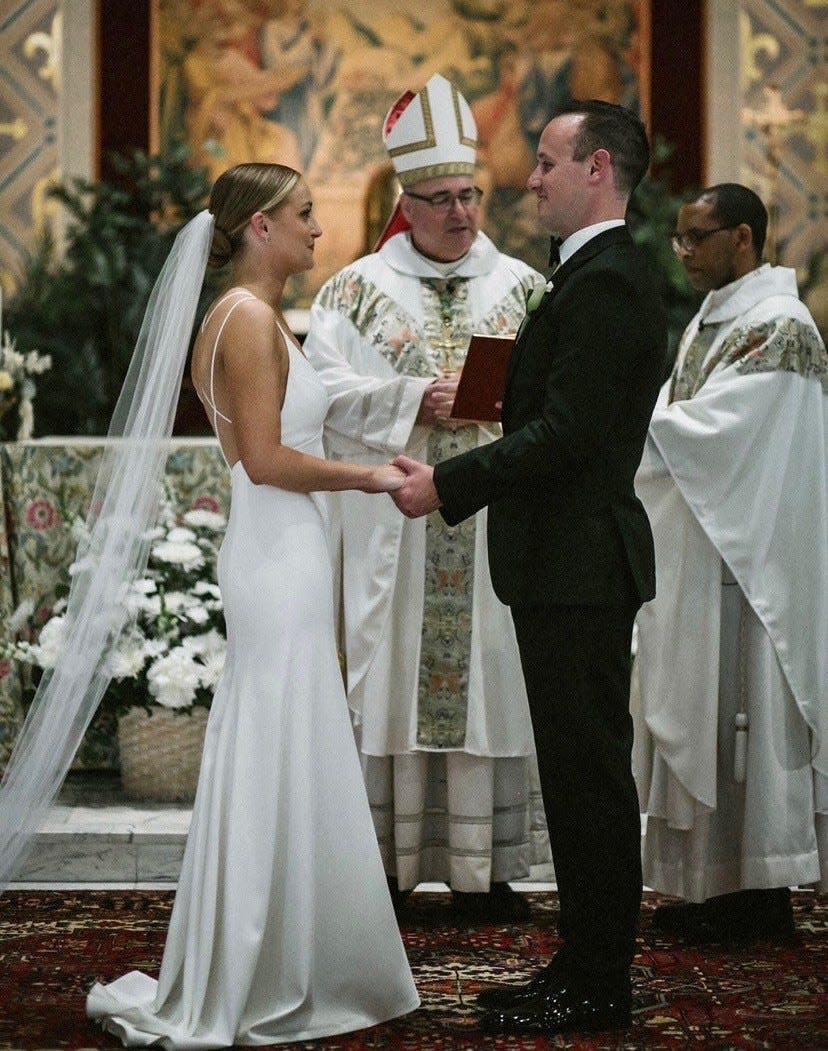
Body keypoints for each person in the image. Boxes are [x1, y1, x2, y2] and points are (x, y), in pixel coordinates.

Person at [0, 164, 419, 1046]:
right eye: (304, 216)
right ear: (259, 227)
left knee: (281, 737)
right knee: (276, 737)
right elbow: (265, 460)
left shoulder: (242, 319)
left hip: (279, 546)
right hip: (277, 543)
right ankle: (265, 964)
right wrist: (371, 477)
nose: (318, 229)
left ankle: (287, 953)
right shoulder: (247, 323)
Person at [391, 100, 668, 1036]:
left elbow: (568, 433)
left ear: (596, 170)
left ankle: (599, 982)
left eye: (547, 163)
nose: (531, 179)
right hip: (565, 565)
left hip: (581, 565)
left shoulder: (614, 282)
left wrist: (448, 483)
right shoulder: (589, 277)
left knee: (589, 781)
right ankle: (582, 963)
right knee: (579, 775)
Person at [303, 73, 548, 919]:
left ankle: (488, 873)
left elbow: (559, 398)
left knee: (491, 675)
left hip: (492, 526)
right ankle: (393, 869)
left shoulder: (522, 289)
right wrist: (414, 400)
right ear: (405, 204)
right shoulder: (353, 291)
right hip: (396, 531)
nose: (461, 213)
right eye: (440, 198)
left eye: (470, 195)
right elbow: (321, 397)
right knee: (398, 683)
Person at [633, 183, 828, 944]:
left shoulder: (780, 326)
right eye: (680, 239)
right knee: (706, 715)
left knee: (746, 719)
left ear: (742, 238)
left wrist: (630, 430)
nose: (682, 252)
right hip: (709, 551)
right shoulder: (717, 320)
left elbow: (725, 432)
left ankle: (760, 894)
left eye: (696, 238)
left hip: (754, 568)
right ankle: (716, 888)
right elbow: (682, 414)